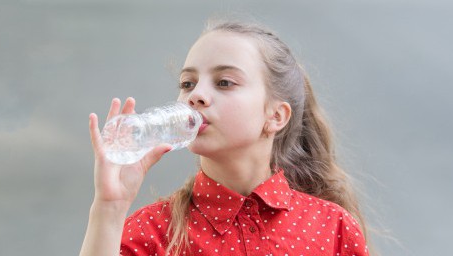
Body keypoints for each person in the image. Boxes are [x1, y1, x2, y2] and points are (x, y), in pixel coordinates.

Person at [80, 20, 370, 256]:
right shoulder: (151, 232)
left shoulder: (333, 227)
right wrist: (109, 208)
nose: (196, 96)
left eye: (224, 83)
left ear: (276, 116)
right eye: (187, 83)